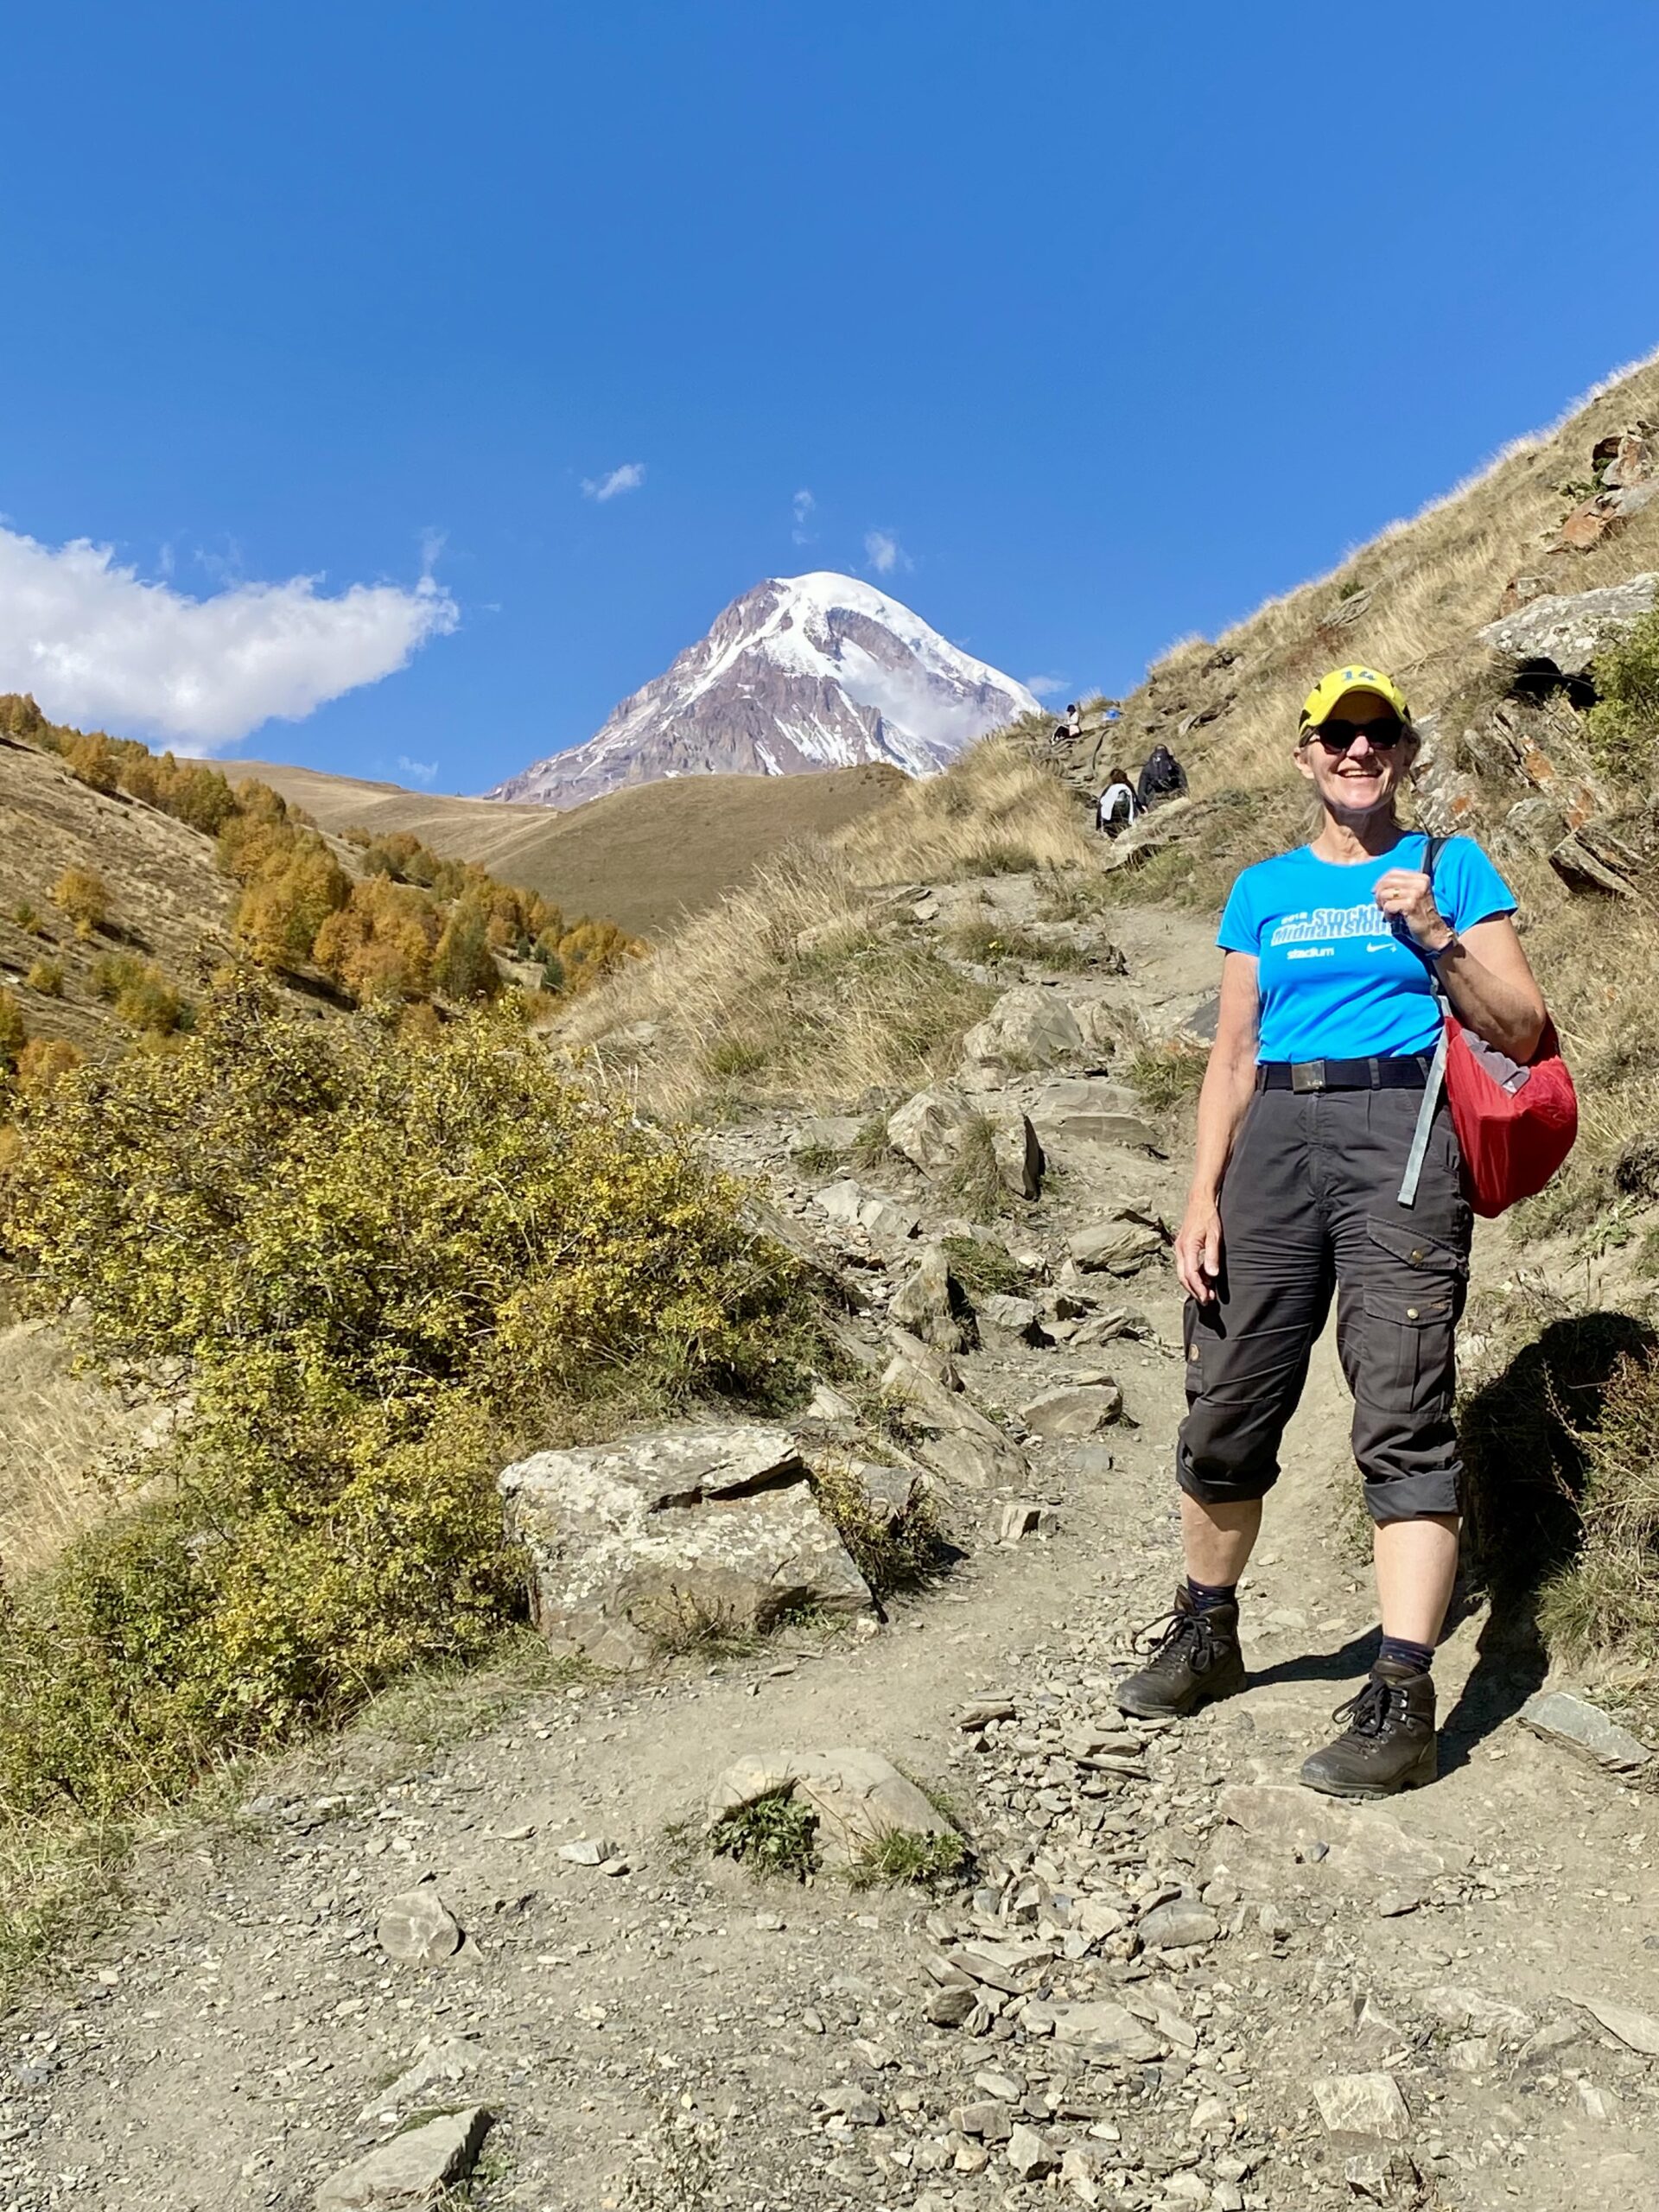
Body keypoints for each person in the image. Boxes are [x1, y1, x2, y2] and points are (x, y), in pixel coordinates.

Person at [1115, 664, 1547, 1797]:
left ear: (1404, 751)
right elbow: (1231, 1054)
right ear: (1305, 754)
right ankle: (1208, 1632)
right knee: (1227, 1398)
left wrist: (1440, 940)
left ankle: (1404, 1700)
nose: (1358, 751)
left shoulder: (1450, 866)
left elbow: (1525, 1026)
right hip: (1271, 1142)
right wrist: (1201, 1196)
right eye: (1336, 734)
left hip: (1399, 1125)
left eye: (1378, 733)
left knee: (1401, 1404)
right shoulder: (1262, 889)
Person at [1137, 742, 1187, 808]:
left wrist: (1143, 804)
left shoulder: (1147, 768)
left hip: (1156, 801)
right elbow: (1183, 781)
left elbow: (1142, 788)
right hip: (1174, 797)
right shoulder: (1174, 764)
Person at [1096, 767, 1137, 836]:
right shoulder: (1128, 787)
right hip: (1125, 819)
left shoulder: (1109, 789)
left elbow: (1101, 805)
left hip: (1110, 819)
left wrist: (1098, 826)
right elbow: (1136, 802)